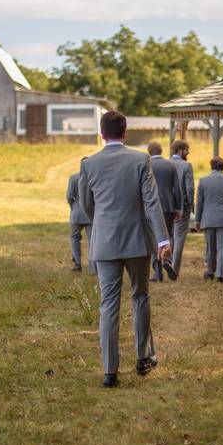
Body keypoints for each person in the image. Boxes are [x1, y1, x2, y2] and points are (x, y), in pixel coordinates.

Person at [79, 111, 171, 388]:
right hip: (136, 240)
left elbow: (87, 205)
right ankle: (142, 358)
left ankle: (110, 371)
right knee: (140, 296)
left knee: (108, 305)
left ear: (101, 133)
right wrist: (163, 239)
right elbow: (152, 202)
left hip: (105, 240)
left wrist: (104, 223)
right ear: (125, 132)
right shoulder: (140, 159)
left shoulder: (89, 163)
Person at [195, 156, 223, 283]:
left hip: (208, 218)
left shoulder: (203, 181)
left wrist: (197, 220)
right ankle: (220, 275)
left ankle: (210, 271)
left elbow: (199, 202)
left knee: (210, 247)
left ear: (211, 166)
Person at [147, 141, 181, 282]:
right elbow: (176, 189)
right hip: (168, 205)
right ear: (161, 151)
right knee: (168, 234)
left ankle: (157, 271)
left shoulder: (147, 165)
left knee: (154, 237)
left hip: (151, 206)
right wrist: (178, 208)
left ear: (149, 152)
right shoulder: (170, 165)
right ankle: (167, 260)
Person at [169, 140, 195, 276]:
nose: (188, 152)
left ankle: (165, 262)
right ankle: (174, 269)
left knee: (169, 236)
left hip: (166, 207)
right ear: (180, 151)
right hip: (181, 207)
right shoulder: (186, 166)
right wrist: (191, 205)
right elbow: (189, 188)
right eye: (186, 150)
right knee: (179, 237)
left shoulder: (165, 163)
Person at [66, 171, 96, 275]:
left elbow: (69, 196)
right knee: (92, 240)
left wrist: (73, 207)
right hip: (91, 213)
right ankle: (93, 268)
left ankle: (77, 264)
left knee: (74, 238)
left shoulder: (73, 177)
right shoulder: (93, 176)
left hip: (76, 212)